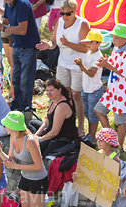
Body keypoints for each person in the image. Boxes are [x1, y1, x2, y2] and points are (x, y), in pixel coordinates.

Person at [36, 0, 90, 135]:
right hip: (63, 63)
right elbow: (53, 42)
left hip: (78, 65)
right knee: (63, 94)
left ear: (75, 12)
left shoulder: (82, 24)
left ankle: (81, 127)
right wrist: (46, 45)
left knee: (76, 95)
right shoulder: (59, 22)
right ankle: (64, 123)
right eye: (62, 13)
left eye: (68, 14)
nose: (64, 16)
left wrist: (68, 43)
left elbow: (86, 48)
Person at [0, 0, 40, 113]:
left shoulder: (23, 4)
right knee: (15, 80)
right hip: (17, 45)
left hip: (28, 46)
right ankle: (16, 106)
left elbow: (22, 29)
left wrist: (3, 28)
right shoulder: (10, 5)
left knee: (25, 80)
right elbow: (5, 22)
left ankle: (25, 108)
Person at [94, 23, 126, 151]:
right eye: (113, 37)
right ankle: (112, 138)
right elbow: (111, 63)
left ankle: (119, 147)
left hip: (123, 94)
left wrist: (107, 65)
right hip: (113, 91)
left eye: (116, 38)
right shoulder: (116, 49)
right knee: (98, 110)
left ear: (125, 39)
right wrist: (104, 63)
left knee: (121, 122)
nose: (113, 40)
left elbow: (123, 72)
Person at [34, 78, 79, 157]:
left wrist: (38, 140)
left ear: (59, 90)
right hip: (51, 132)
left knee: (34, 147)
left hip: (61, 138)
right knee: (32, 123)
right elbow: (46, 123)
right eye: (47, 90)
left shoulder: (62, 106)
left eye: (51, 90)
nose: (48, 93)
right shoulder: (53, 101)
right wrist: (36, 135)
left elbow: (55, 132)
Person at [74, 29, 103, 139]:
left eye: (91, 42)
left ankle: (92, 136)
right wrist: (80, 63)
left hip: (94, 90)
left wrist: (81, 65)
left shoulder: (98, 56)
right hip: (86, 88)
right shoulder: (88, 53)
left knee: (92, 115)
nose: (88, 44)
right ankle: (90, 135)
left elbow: (91, 73)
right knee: (87, 112)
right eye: (88, 41)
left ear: (98, 43)